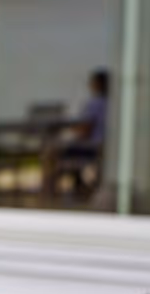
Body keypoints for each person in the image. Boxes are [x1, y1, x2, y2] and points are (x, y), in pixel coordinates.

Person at [44, 70, 109, 199]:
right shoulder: (113, 104)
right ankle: (77, 188)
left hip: (92, 148)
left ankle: (49, 194)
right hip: (102, 148)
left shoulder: (95, 103)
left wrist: (70, 130)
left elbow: (85, 130)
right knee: (67, 150)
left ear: (97, 84)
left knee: (51, 153)